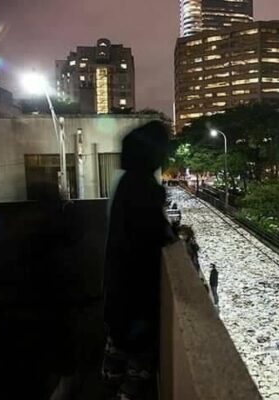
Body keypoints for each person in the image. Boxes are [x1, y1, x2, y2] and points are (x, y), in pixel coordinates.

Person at [102, 121, 174, 400]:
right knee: (136, 375)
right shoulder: (142, 188)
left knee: (115, 363)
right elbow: (154, 236)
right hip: (137, 296)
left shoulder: (126, 183)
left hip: (120, 291)